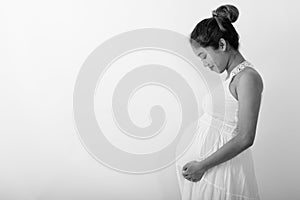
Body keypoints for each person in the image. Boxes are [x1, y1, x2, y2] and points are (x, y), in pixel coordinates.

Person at [175, 4, 263, 200]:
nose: (204, 64)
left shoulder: (247, 78)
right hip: (212, 171)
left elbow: (245, 138)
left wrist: (202, 165)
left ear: (222, 45)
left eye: (203, 56)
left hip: (222, 172)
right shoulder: (232, 77)